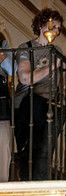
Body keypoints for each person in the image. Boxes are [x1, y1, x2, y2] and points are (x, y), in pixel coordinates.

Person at [14, 8, 65, 181]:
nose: (55, 31)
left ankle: (39, 179)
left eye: (58, 29)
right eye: (53, 26)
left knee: (45, 151)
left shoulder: (56, 50)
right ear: (42, 25)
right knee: (30, 148)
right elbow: (25, 78)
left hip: (50, 105)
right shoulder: (26, 48)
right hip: (28, 104)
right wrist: (53, 65)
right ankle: (26, 177)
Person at [0, 30, 14, 182]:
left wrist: (1, 55)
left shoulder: (2, 44)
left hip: (2, 110)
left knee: (3, 150)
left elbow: (12, 69)